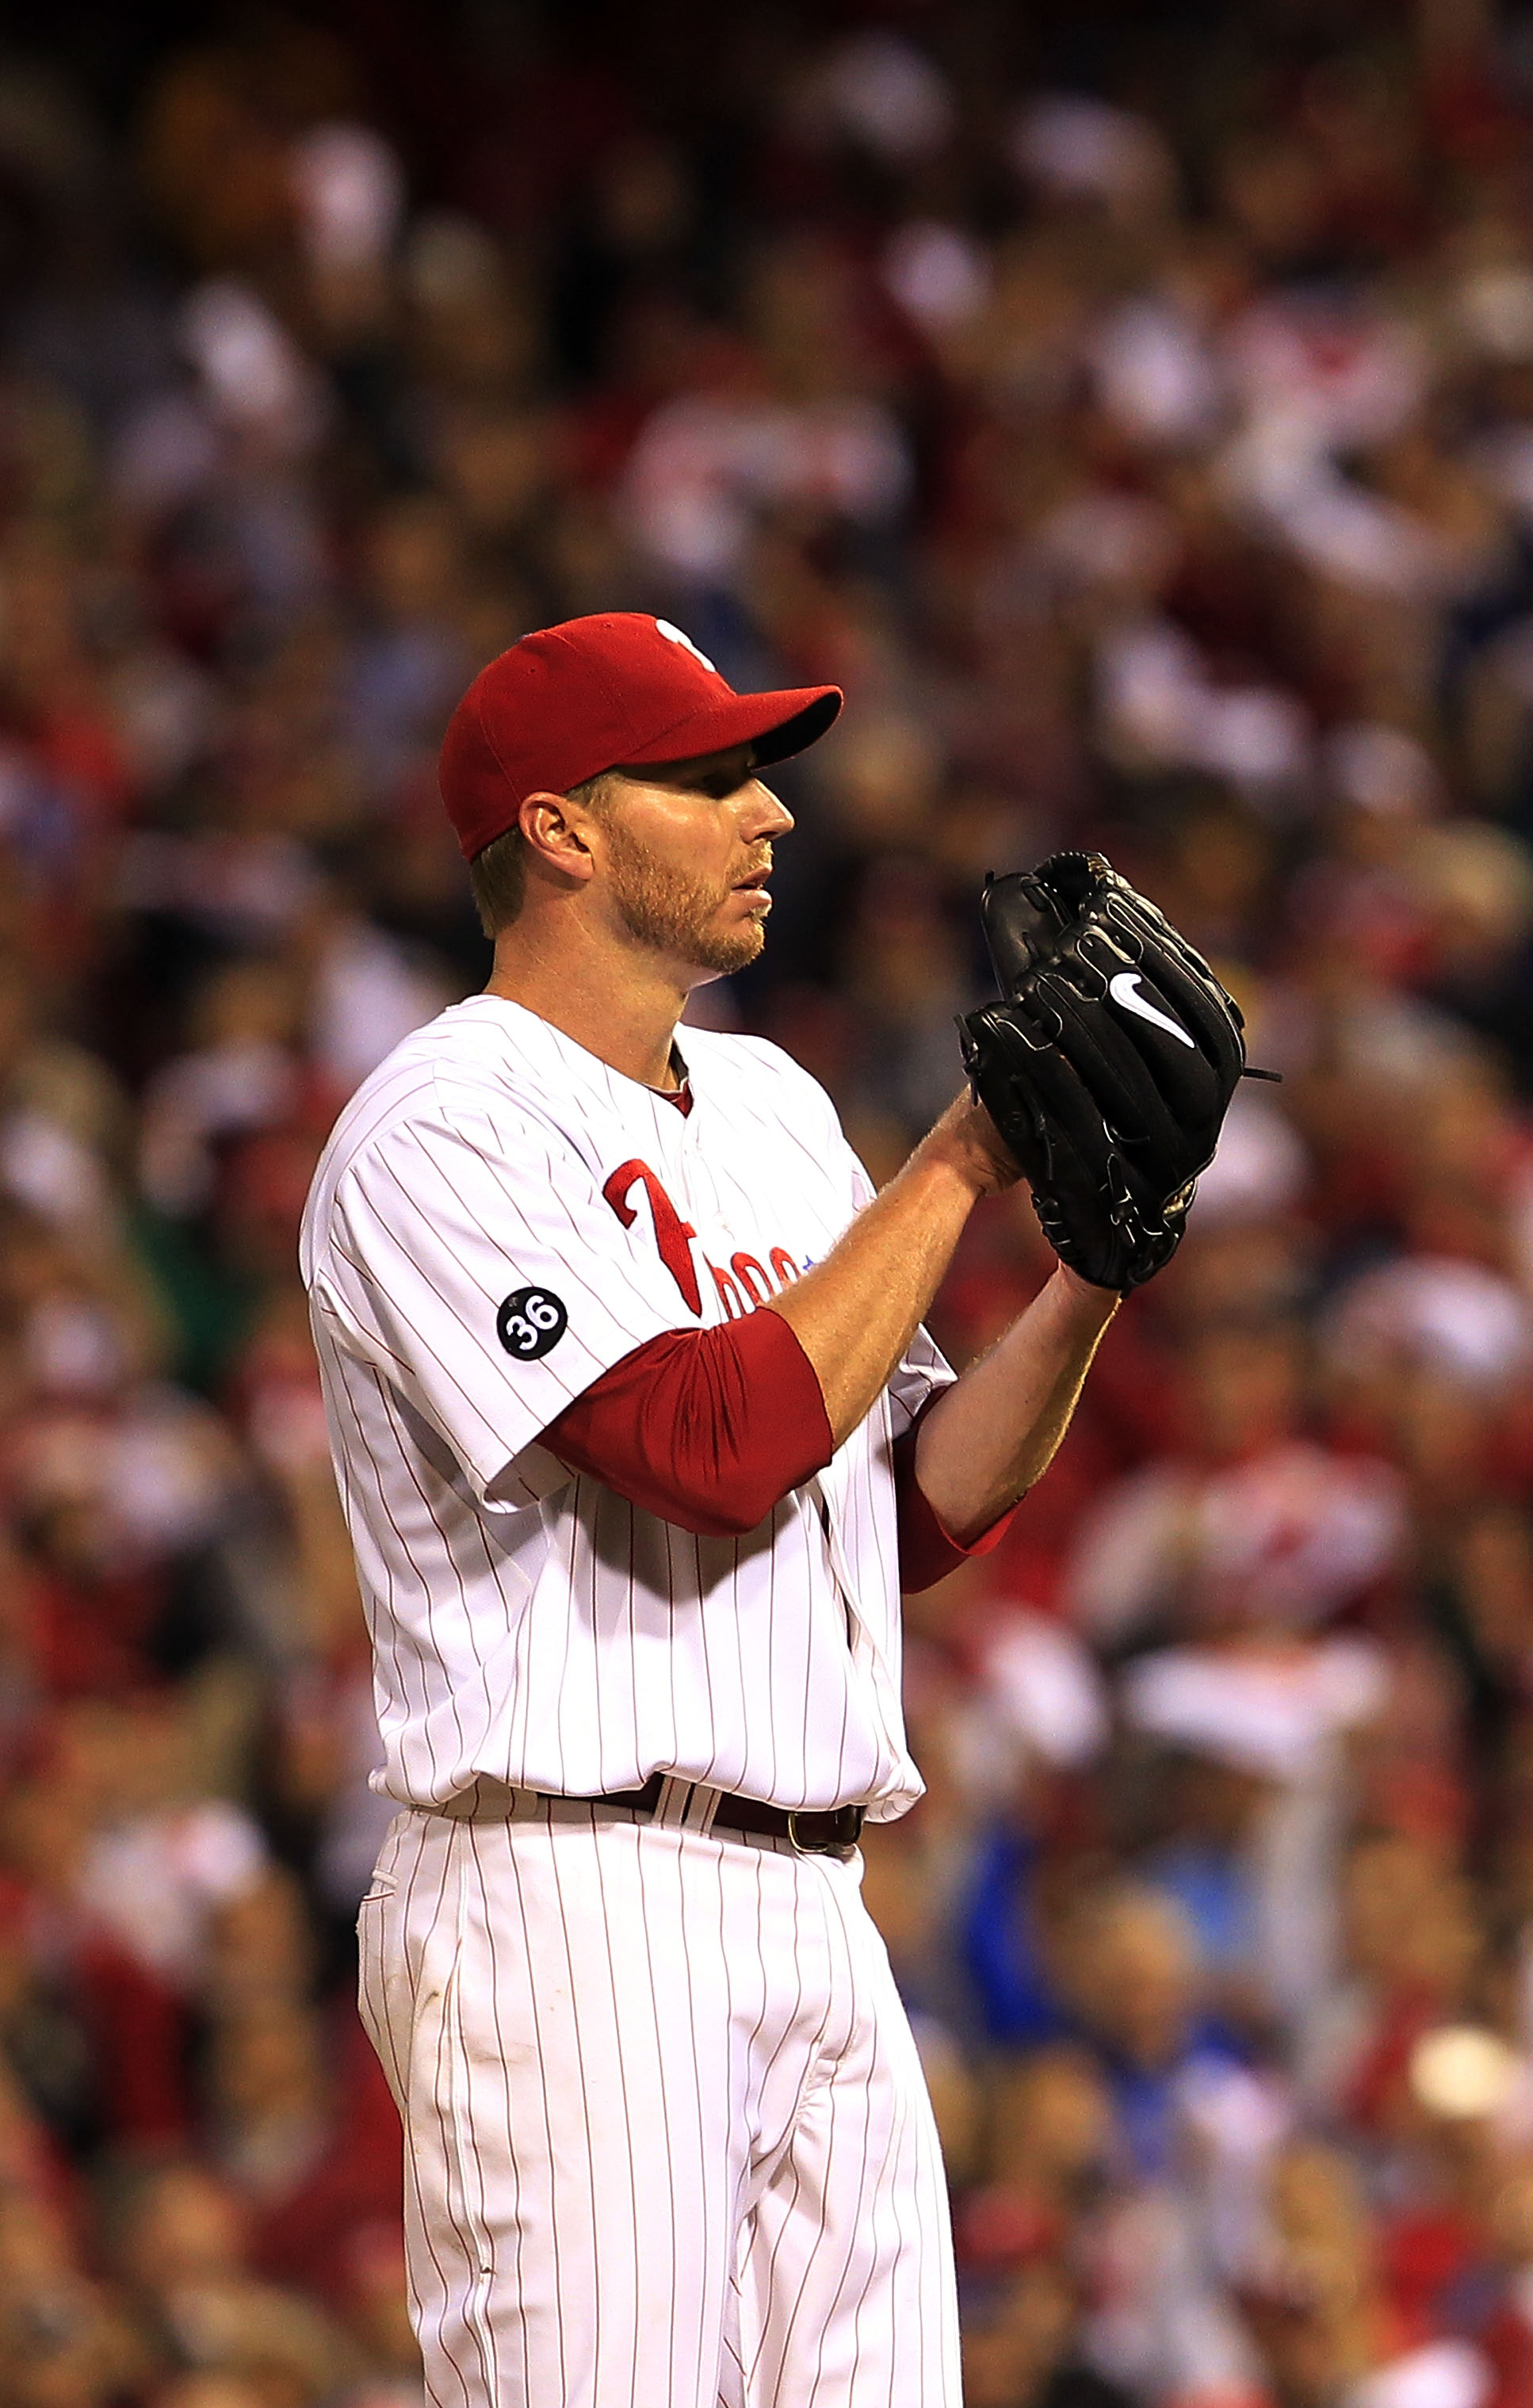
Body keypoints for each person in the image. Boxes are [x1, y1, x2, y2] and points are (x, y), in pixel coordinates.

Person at [296, 612, 1130, 2406]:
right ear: (560, 831)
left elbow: (908, 1506)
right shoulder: (441, 1127)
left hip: (821, 1904)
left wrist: (1096, 1273)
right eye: (709, 777)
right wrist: (964, 1156)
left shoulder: (766, 1102)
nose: (773, 814)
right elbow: (705, 1446)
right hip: (570, 1896)